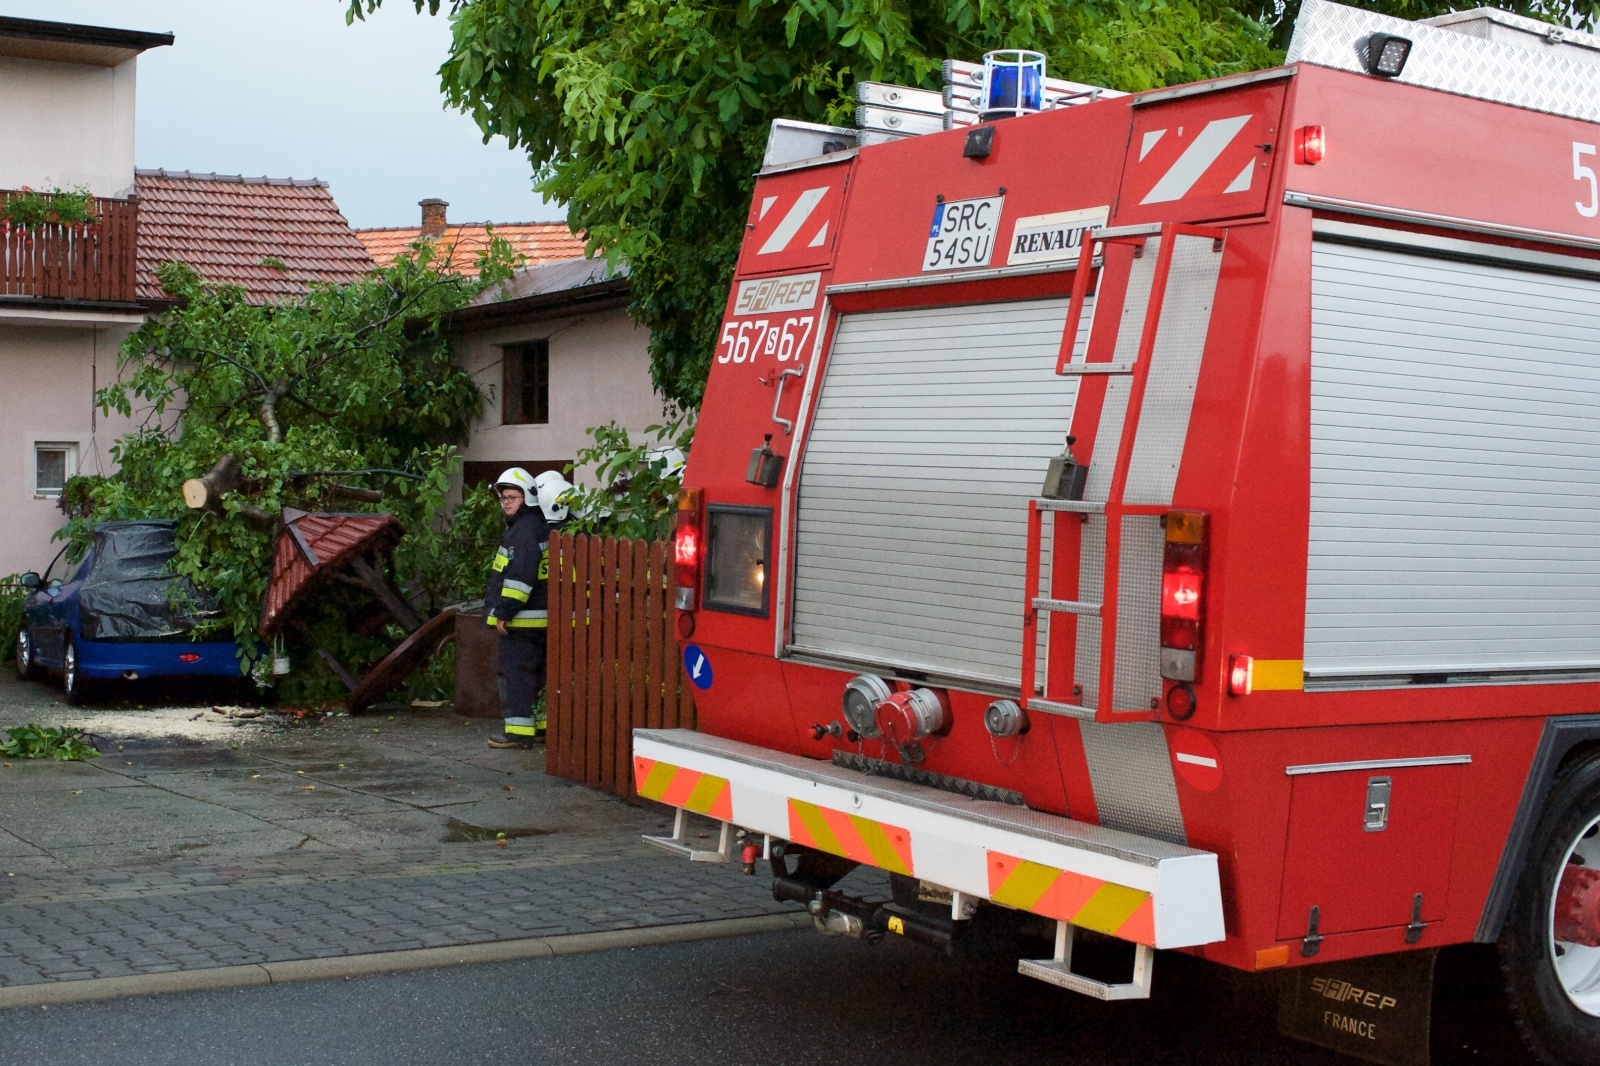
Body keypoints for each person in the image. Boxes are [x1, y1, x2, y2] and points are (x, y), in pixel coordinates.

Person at [483, 468, 564, 749]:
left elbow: (521, 577)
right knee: (539, 675)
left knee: (516, 675)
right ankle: (540, 728)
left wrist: (504, 611)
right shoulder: (536, 526)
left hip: (522, 621)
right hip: (539, 620)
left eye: (511, 497)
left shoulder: (524, 531)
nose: (506, 502)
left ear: (527, 497)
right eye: (503, 498)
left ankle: (518, 733)